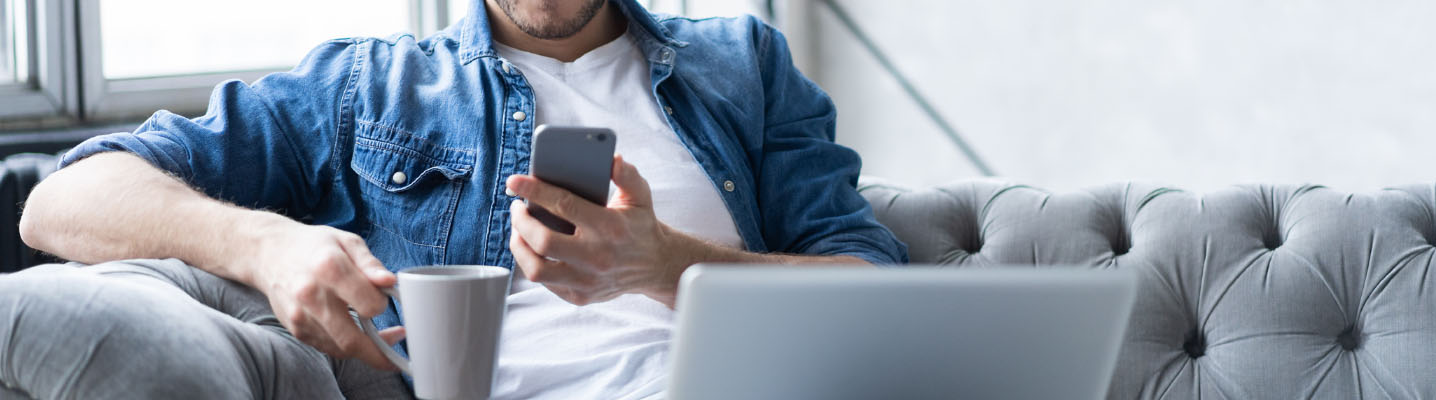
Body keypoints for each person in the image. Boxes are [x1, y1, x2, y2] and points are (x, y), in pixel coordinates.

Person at [7, 0, 907, 398]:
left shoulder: (743, 66)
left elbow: (873, 287)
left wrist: (669, 265)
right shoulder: (371, 87)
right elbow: (63, 200)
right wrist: (268, 247)